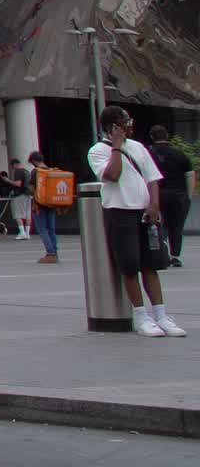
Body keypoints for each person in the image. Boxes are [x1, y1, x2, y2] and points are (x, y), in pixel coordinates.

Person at [88, 106, 183, 336]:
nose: (130, 125)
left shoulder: (139, 147)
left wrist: (154, 205)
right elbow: (112, 175)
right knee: (129, 265)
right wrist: (117, 148)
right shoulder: (97, 151)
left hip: (144, 212)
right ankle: (141, 317)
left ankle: (161, 315)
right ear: (113, 127)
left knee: (152, 264)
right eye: (125, 122)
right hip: (119, 212)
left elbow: (152, 178)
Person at [149, 125, 194, 268]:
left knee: (160, 225)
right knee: (177, 226)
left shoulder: (148, 153)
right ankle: (175, 256)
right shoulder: (179, 154)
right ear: (166, 136)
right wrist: (188, 196)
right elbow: (190, 174)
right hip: (178, 195)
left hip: (158, 195)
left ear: (151, 136)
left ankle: (161, 254)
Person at [27, 151, 60, 262]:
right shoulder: (51, 170)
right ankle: (54, 253)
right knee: (51, 229)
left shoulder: (35, 172)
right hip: (51, 204)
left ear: (34, 161)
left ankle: (50, 254)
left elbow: (31, 189)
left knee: (43, 229)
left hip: (39, 205)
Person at [7, 157, 31, 239]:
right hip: (28, 194)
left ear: (14, 165)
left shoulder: (18, 171)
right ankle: (27, 233)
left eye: (12, 166)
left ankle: (22, 232)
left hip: (19, 195)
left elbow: (18, 184)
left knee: (17, 214)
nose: (13, 168)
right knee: (27, 214)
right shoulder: (26, 171)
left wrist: (8, 181)